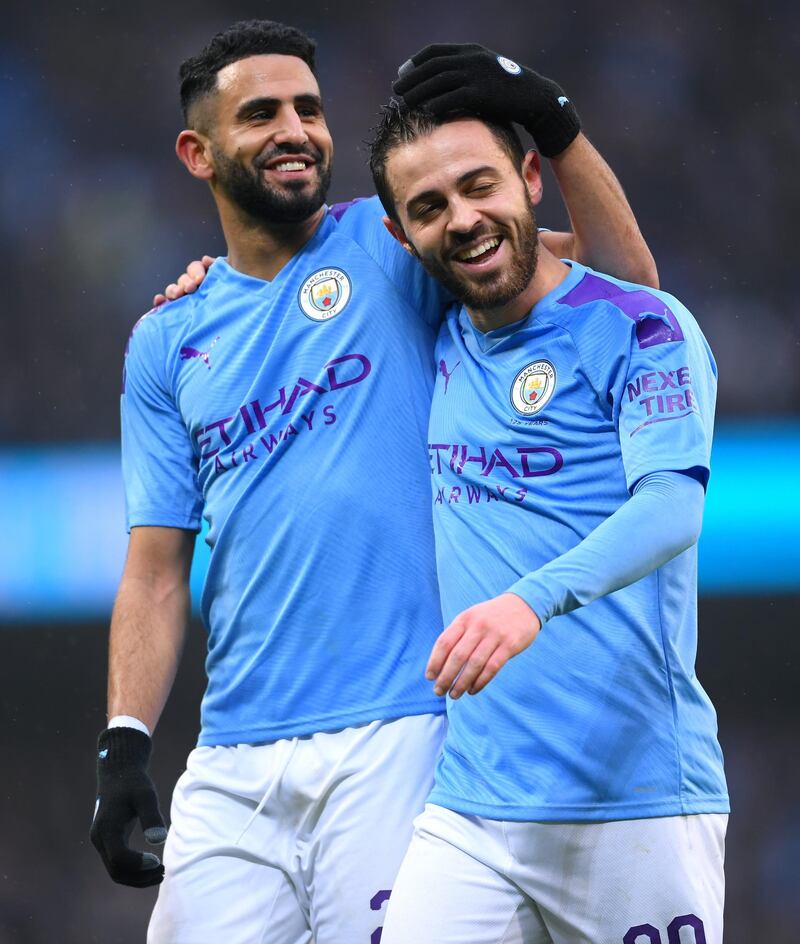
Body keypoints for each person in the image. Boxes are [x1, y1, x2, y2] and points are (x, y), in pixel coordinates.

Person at [89, 22, 657, 944]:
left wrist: (553, 122)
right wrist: (124, 743)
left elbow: (625, 281)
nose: (295, 129)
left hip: (403, 729)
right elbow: (155, 567)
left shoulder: (396, 241)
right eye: (261, 113)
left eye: (309, 109)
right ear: (197, 153)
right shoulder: (166, 338)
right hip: (231, 754)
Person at [367, 62, 728, 944]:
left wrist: (531, 602)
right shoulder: (433, 327)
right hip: (470, 808)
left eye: (479, 185)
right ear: (400, 233)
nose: (461, 218)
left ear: (530, 182)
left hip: (635, 798)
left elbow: (672, 507)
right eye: (429, 207)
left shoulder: (639, 327)